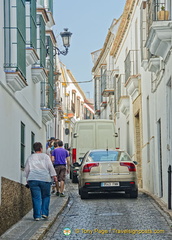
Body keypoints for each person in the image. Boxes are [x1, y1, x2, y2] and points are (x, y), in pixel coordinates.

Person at [24, 142, 57, 221]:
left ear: (34, 149)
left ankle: (37, 216)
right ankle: (44, 213)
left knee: (36, 198)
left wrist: (27, 179)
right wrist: (54, 176)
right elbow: (50, 167)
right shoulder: (45, 157)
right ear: (41, 148)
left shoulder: (30, 157)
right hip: (45, 179)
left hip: (33, 179)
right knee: (45, 196)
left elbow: (26, 170)